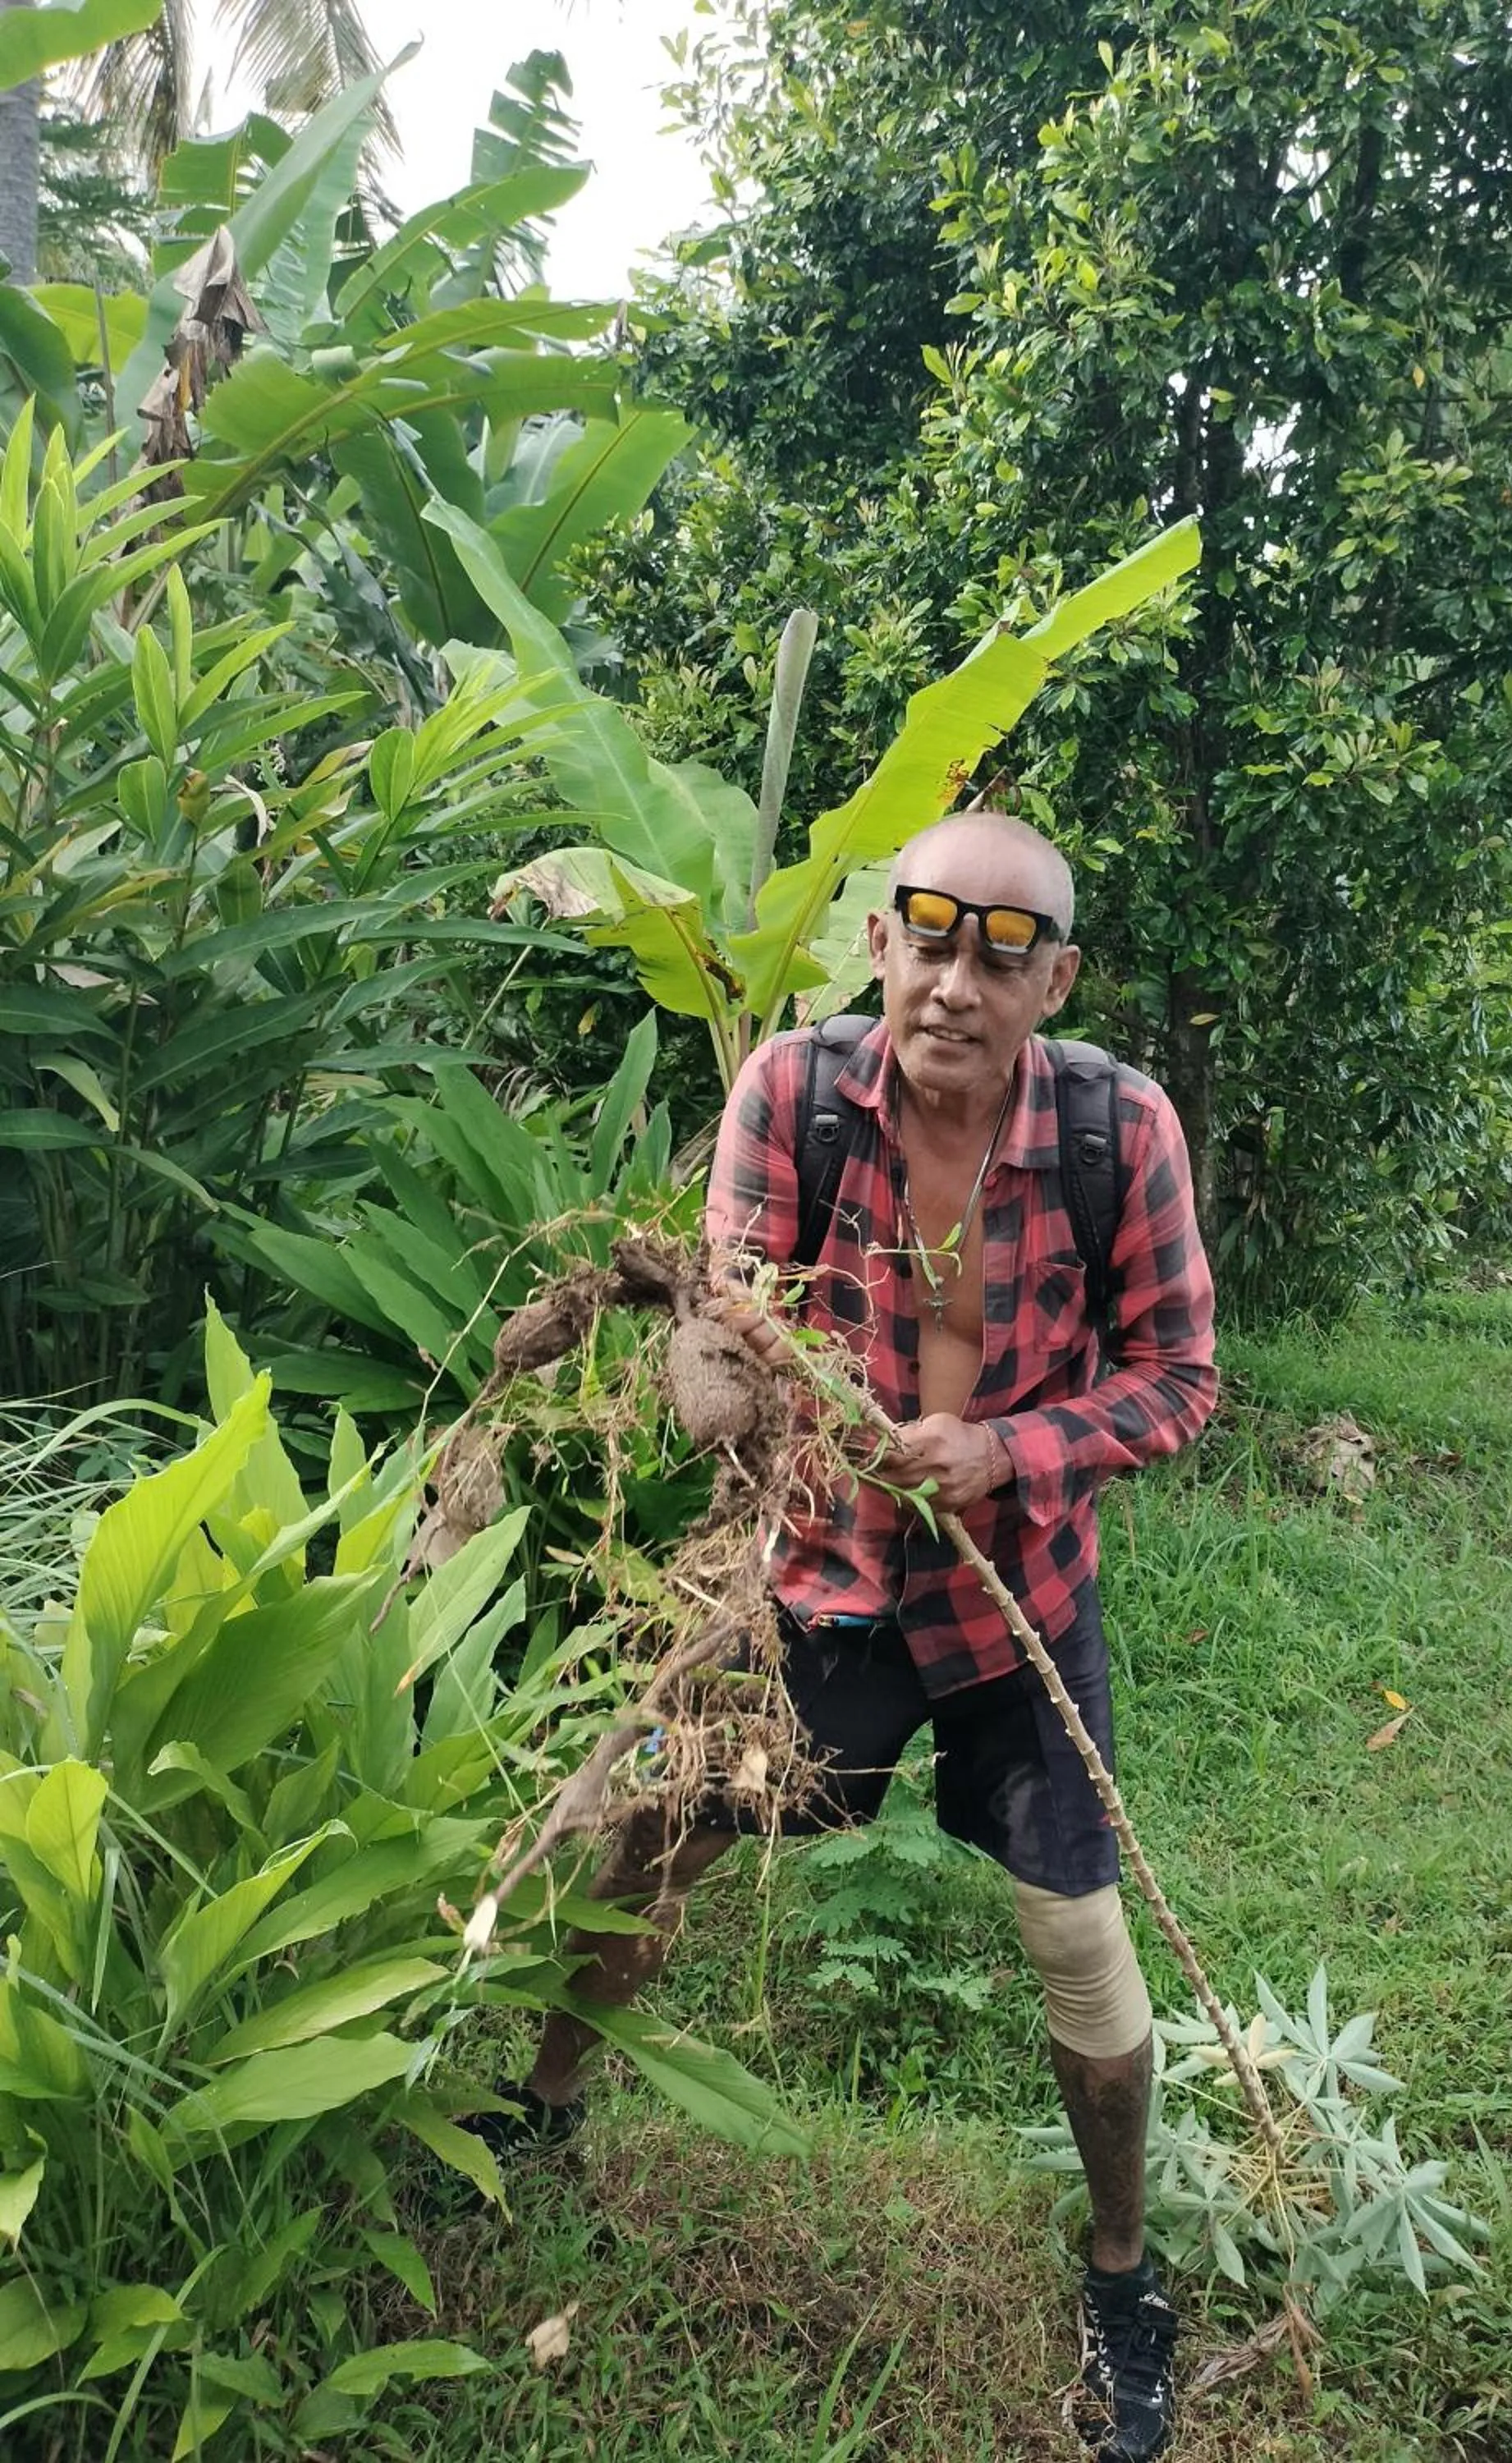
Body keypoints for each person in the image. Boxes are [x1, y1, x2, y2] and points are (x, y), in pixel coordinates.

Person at [497, 810, 1218, 2462]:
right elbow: (734, 1302)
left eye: (1004, 948)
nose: (957, 979)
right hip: (815, 1577)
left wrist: (1007, 1449)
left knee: (1081, 1948)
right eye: (929, 932)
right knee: (657, 1822)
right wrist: (759, 1365)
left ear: (1056, 980)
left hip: (1016, 1594)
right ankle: (539, 2109)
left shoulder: (1123, 1131)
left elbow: (1180, 1379)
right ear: (880, 943)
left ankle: (1123, 2275)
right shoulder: (795, 1097)